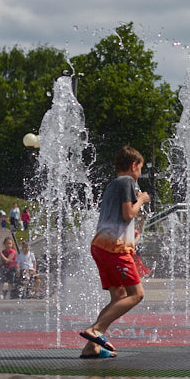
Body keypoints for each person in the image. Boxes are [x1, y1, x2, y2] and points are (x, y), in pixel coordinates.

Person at [78, 146, 151, 358]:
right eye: (140, 168)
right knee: (136, 294)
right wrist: (141, 200)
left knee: (118, 295)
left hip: (101, 246)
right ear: (133, 166)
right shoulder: (128, 182)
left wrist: (132, 237)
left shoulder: (114, 185)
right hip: (114, 248)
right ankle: (95, 330)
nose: (139, 173)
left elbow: (119, 217)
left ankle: (91, 346)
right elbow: (128, 214)